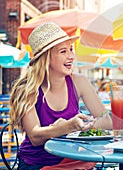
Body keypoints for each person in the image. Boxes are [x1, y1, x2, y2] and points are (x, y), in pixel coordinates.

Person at [9, 22, 112, 170]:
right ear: (46, 58)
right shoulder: (27, 89)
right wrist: (68, 126)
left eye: (71, 49)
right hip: (36, 163)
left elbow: (106, 121)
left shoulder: (79, 82)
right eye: (63, 51)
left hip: (73, 159)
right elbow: (35, 137)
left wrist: (84, 127)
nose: (71, 56)